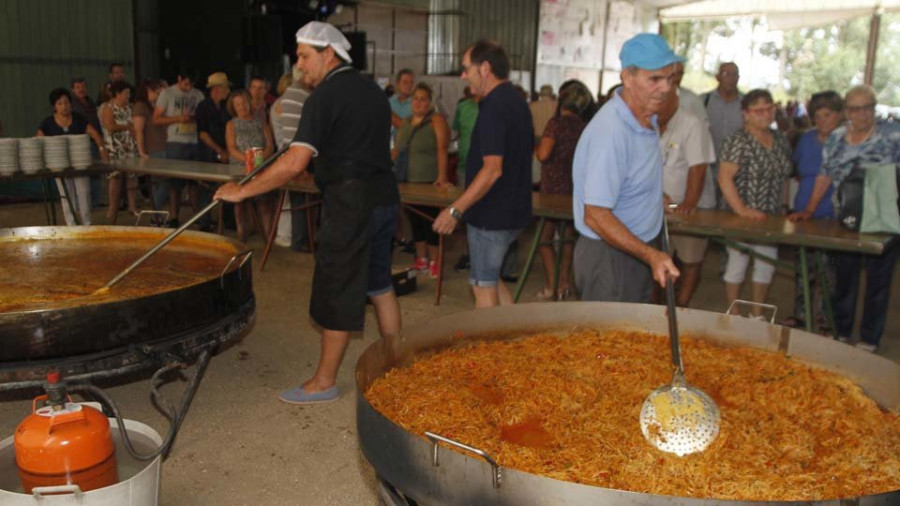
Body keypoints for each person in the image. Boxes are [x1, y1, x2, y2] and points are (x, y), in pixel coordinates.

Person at [214, 21, 401, 404]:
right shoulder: (373, 90)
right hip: (384, 199)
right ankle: (399, 365)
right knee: (380, 284)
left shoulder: (324, 97)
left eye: (304, 56)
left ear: (328, 54)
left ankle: (324, 382)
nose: (299, 65)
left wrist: (243, 191)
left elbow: (295, 163)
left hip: (351, 205)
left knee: (338, 290)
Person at [571, 33, 681, 303]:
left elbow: (629, 175)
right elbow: (595, 215)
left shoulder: (646, 118)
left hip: (636, 250)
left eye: (670, 78)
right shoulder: (611, 132)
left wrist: (652, 197)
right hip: (610, 256)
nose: (665, 88)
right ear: (627, 78)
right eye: (654, 79)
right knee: (606, 343)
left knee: (631, 338)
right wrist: (651, 255)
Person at [432, 39, 533, 308]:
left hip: (492, 215)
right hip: (512, 212)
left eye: (467, 69)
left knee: (483, 291)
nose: (463, 76)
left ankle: (486, 351)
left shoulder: (493, 108)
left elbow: (492, 169)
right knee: (492, 280)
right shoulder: (516, 100)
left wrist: (455, 209)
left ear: (485, 68)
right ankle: (514, 346)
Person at [819, 85, 900, 352]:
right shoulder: (836, 138)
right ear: (846, 111)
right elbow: (825, 175)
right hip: (847, 221)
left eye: (867, 107)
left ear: (874, 109)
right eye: (855, 108)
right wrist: (807, 210)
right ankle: (841, 330)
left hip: (884, 220)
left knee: (879, 282)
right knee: (844, 278)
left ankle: (869, 338)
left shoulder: (894, 136)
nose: (862, 114)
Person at [717, 89, 793, 315]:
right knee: (737, 263)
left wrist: (785, 208)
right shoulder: (738, 141)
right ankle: (735, 312)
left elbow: (785, 177)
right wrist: (741, 210)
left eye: (769, 108)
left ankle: (757, 313)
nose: (765, 114)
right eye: (758, 110)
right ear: (746, 114)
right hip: (739, 214)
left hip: (771, 215)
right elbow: (724, 178)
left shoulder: (780, 140)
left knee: (766, 264)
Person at [783, 91, 843, 330]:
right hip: (803, 209)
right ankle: (801, 315)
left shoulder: (845, 139)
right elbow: (797, 170)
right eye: (817, 116)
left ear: (839, 115)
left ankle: (825, 318)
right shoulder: (806, 139)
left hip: (833, 211)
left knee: (829, 272)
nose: (822, 121)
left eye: (827, 115)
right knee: (803, 268)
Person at [658, 84, 716, 307]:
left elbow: (698, 167)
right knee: (657, 256)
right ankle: (656, 306)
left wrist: (689, 202)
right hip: (655, 205)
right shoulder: (647, 121)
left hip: (688, 205)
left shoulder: (692, 123)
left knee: (690, 258)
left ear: (675, 101)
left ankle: (682, 304)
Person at [533, 81, 590, 300]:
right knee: (567, 239)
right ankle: (565, 282)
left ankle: (552, 283)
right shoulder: (585, 127)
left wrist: (537, 146)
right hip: (575, 189)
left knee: (543, 239)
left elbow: (543, 155)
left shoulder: (555, 124)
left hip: (552, 190)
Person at [393, 82, 451, 278]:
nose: (418, 102)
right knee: (415, 221)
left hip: (429, 181)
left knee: (431, 223)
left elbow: (442, 148)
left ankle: (436, 261)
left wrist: (442, 176)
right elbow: (398, 149)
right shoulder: (406, 122)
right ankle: (421, 260)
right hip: (408, 182)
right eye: (415, 99)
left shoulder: (436, 120)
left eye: (423, 99)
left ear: (430, 102)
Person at [36, 88, 107, 226]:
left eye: (67, 102)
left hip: (79, 163)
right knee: (66, 195)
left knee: (84, 192)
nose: (64, 106)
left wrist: (102, 148)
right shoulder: (48, 123)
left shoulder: (78, 119)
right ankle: (71, 225)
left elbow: (94, 134)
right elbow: (38, 141)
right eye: (60, 103)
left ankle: (87, 223)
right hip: (60, 165)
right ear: (54, 106)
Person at [270, 68, 314, 252]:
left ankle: (302, 239)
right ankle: (299, 241)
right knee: (299, 200)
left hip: (292, 151)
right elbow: (298, 132)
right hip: (299, 153)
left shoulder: (289, 96)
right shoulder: (300, 95)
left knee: (299, 199)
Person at [153, 71, 204, 227]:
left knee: (194, 182)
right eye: (185, 84)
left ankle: (198, 216)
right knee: (175, 183)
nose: (188, 87)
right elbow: (156, 119)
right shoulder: (167, 94)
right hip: (175, 141)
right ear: (179, 79)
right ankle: (174, 217)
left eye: (191, 85)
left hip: (194, 140)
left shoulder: (198, 94)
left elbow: (203, 116)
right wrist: (177, 118)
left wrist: (194, 118)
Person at [225, 89, 275, 242]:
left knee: (263, 201)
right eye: (238, 104)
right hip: (239, 167)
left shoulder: (261, 121)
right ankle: (242, 237)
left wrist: (258, 161)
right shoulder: (231, 124)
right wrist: (248, 160)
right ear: (233, 107)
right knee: (239, 203)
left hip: (260, 166)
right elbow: (231, 148)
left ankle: (268, 236)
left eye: (244, 103)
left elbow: (270, 146)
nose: (242, 106)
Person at [100, 80, 140, 224]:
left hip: (130, 148)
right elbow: (109, 126)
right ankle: (113, 207)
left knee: (132, 177)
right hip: (115, 149)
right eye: (125, 93)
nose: (128, 96)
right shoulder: (108, 107)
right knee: (115, 179)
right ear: (118, 93)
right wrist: (126, 127)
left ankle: (132, 205)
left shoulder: (130, 107)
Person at [704, 62, 743, 206]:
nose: (730, 78)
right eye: (726, 74)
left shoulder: (746, 104)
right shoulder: (704, 101)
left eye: (734, 74)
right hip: (707, 168)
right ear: (718, 77)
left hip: (737, 171)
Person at [450, 87, 479, 271]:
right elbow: (457, 133)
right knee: (466, 214)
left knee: (485, 213)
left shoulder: (491, 107)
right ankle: (469, 255)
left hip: (485, 168)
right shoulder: (463, 107)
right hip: (464, 167)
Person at [196, 72, 231, 164]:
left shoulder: (226, 107)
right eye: (225, 87)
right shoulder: (203, 106)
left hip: (225, 152)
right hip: (208, 154)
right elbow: (203, 133)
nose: (228, 91)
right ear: (216, 88)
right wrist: (220, 150)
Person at [134, 79, 168, 160]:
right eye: (157, 92)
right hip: (152, 148)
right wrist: (141, 152)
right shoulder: (141, 105)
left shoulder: (157, 105)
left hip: (164, 146)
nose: (159, 94)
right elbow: (138, 130)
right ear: (148, 90)